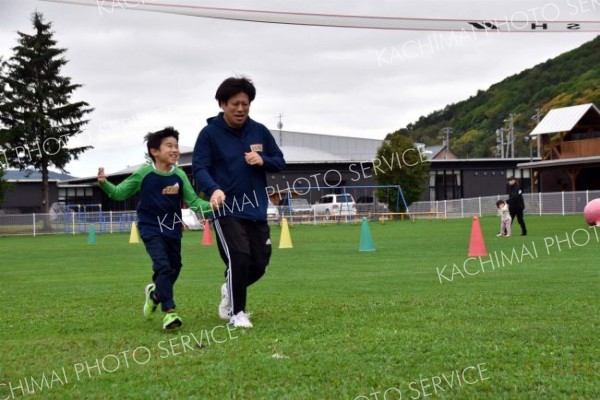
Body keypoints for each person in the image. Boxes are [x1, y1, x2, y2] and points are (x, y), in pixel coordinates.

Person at [192, 76, 286, 328]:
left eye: (245, 103)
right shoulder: (209, 134)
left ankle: (229, 288)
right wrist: (213, 189)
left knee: (259, 264)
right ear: (223, 104)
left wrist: (263, 159)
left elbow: (280, 160)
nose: (241, 108)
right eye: (235, 103)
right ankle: (237, 313)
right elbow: (199, 167)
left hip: (255, 208)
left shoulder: (259, 131)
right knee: (239, 257)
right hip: (226, 210)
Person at [98, 127, 211, 330]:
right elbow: (119, 193)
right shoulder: (144, 173)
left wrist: (212, 206)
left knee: (175, 268)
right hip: (150, 229)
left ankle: (156, 294)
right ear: (154, 151)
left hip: (173, 229)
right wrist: (105, 183)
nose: (175, 150)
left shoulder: (180, 175)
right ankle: (170, 312)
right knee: (163, 267)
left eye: (176, 146)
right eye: (169, 145)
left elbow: (193, 202)